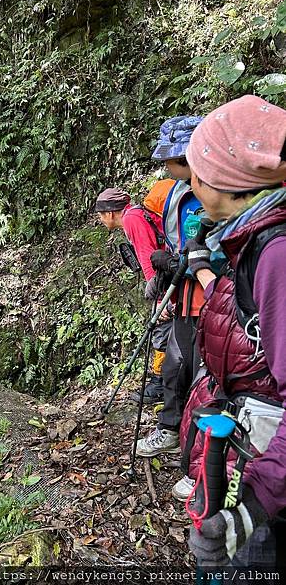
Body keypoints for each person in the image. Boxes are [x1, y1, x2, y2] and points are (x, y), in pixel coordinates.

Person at [178, 95, 286, 569]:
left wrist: (251, 508)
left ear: (220, 179)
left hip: (271, 473)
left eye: (195, 172)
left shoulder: (276, 253)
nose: (192, 183)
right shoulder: (255, 237)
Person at [136, 116, 210, 480]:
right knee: (175, 367)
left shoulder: (219, 190)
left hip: (215, 300)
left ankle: (201, 461)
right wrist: (166, 267)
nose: (165, 166)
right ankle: (171, 431)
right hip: (184, 295)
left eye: (170, 159)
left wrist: (182, 262)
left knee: (205, 378)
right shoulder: (178, 191)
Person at [95, 186, 171, 404]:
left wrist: (160, 300)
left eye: (101, 215)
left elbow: (150, 259)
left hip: (167, 284)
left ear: (110, 213)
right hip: (169, 279)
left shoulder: (132, 220)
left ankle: (160, 384)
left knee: (160, 330)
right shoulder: (135, 215)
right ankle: (163, 381)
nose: (101, 219)